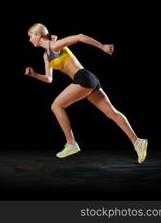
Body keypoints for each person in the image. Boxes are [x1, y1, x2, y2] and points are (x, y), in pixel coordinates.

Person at [25, 23, 148, 163]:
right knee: (111, 112)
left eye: (30, 36)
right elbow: (49, 79)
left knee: (56, 106)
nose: (30, 40)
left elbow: (80, 37)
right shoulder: (46, 56)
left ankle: (71, 143)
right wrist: (34, 74)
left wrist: (102, 47)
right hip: (87, 79)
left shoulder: (55, 45)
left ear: (38, 35)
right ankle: (138, 142)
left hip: (83, 77)